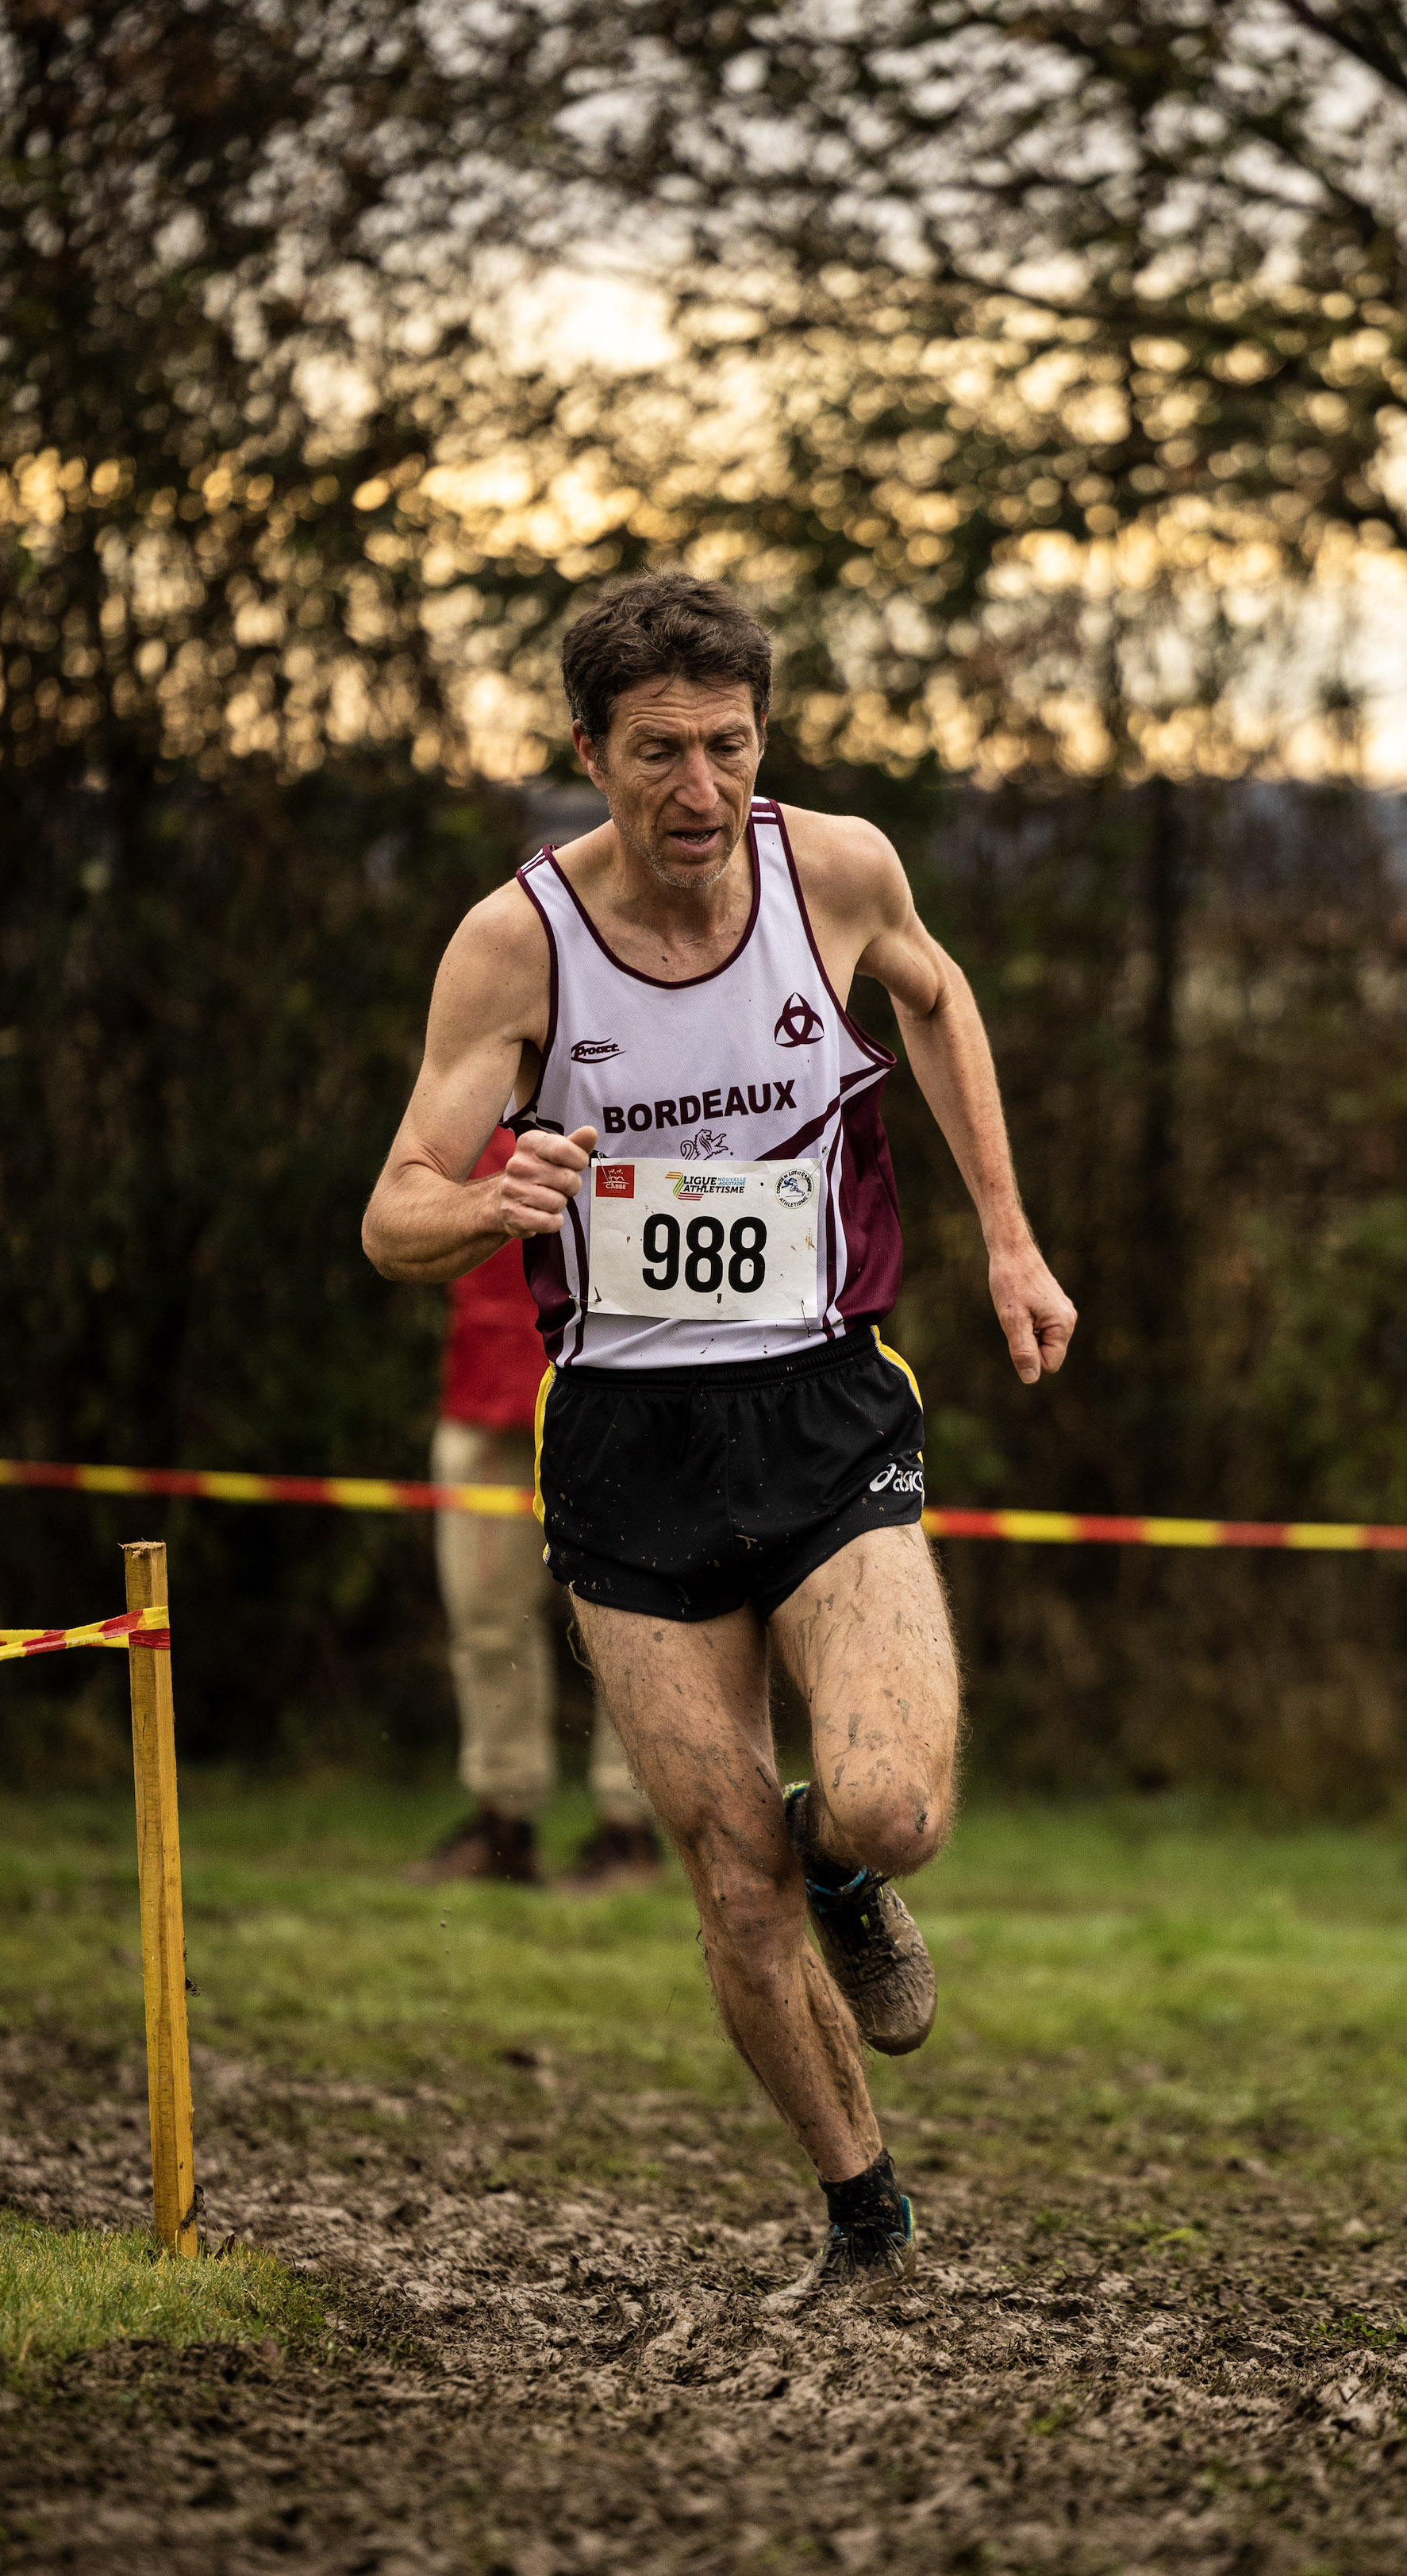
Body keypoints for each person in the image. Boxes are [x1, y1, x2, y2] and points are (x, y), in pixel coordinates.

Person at [363, 572, 1075, 2309]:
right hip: (623, 1445)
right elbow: (388, 1216)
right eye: (658, 752)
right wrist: (480, 1199)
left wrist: (1004, 1229)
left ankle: (854, 1866)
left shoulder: (832, 868)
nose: (697, 792)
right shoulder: (513, 944)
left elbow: (936, 992)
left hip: (824, 1400)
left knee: (887, 1804)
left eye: (729, 747)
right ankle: (863, 2216)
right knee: (726, 1868)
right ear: (588, 748)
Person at [406, 1123, 667, 1891]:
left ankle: (633, 1827)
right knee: (486, 1620)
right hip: (490, 1393)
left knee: (642, 1619)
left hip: (622, 1390)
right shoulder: (469, 1066)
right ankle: (502, 1816)